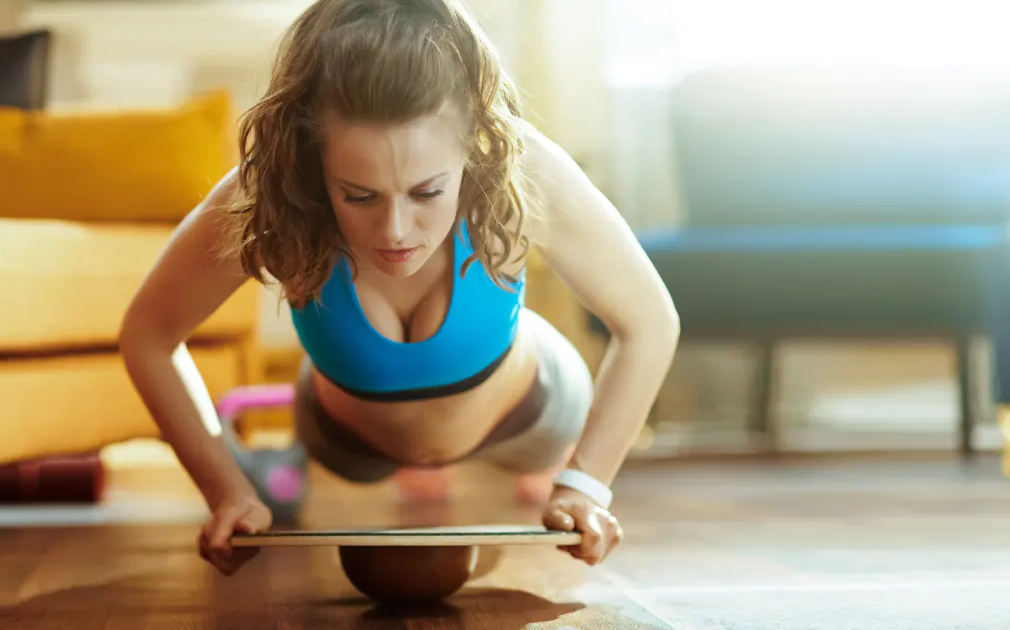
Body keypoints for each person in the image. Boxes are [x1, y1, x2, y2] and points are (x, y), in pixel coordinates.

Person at [119, 0, 679, 577]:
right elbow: (148, 334)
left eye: (428, 192)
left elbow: (650, 324)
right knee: (400, 580)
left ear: (473, 148)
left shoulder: (521, 166)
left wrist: (586, 484)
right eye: (358, 195)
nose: (394, 231)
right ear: (312, 165)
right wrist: (225, 491)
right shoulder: (270, 188)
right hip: (345, 442)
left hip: (528, 420)